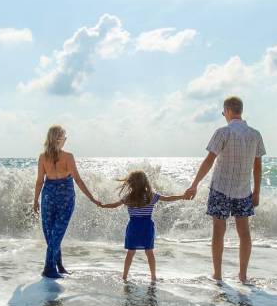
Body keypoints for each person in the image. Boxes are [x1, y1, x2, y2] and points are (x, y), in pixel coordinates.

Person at [183, 96, 266, 283]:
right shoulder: (255, 134)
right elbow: (258, 167)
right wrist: (257, 192)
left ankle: (218, 275)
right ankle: (243, 276)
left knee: (218, 232)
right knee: (244, 233)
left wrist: (194, 184)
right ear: (240, 111)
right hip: (244, 190)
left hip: (221, 188)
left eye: (223, 113)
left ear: (227, 111)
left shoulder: (222, 132)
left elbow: (209, 161)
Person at [33, 125, 99, 278]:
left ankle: (59, 265)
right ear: (60, 139)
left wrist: (35, 200)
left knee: (52, 234)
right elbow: (78, 179)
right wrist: (92, 198)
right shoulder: (68, 156)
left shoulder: (43, 157)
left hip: (48, 196)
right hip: (65, 197)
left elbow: (39, 181)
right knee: (55, 234)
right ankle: (49, 269)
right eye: (64, 137)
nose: (66, 140)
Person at [99, 170, 186, 282]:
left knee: (130, 252)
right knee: (149, 252)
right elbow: (168, 198)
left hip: (133, 227)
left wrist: (102, 205)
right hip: (147, 227)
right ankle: (153, 277)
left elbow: (114, 205)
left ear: (131, 183)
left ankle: (125, 276)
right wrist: (182, 196)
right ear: (145, 182)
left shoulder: (128, 197)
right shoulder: (151, 196)